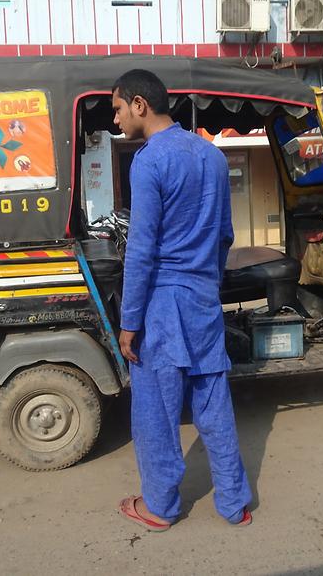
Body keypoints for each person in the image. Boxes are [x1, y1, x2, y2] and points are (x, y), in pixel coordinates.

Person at [112, 69, 252, 531]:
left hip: (161, 306)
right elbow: (225, 235)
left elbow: (141, 249)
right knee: (214, 404)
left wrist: (130, 321)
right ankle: (235, 503)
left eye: (117, 109)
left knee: (156, 412)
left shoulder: (149, 161)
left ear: (139, 104)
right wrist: (205, 281)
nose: (116, 119)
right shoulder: (210, 155)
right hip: (202, 300)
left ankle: (161, 507)